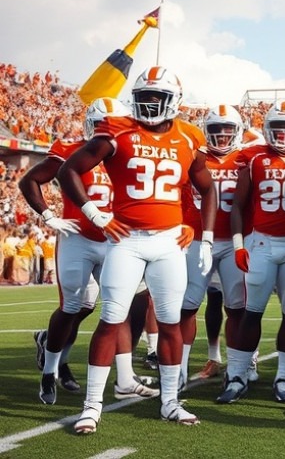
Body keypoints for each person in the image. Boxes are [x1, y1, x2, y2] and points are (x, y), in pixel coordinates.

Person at [58, 66, 217, 433]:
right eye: (143, 97)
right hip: (126, 241)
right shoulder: (117, 130)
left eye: (156, 98)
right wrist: (95, 215)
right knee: (111, 319)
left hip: (167, 243)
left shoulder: (189, 138)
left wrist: (200, 231)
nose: (148, 105)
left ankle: (170, 402)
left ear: (173, 101)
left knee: (170, 323)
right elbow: (69, 170)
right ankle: (92, 405)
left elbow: (207, 188)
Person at [19, 97, 128, 404]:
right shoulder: (69, 149)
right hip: (78, 237)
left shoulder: (129, 153)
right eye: (99, 126)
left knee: (93, 306)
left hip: (114, 240)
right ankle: (50, 371)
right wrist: (49, 215)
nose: (105, 132)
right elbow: (30, 180)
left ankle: (120, 372)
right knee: (70, 307)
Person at [216, 100, 285, 405]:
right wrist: (240, 244)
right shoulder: (253, 157)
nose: (281, 136)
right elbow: (237, 206)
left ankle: (284, 374)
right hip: (262, 243)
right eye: (276, 129)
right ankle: (238, 374)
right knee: (250, 311)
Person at [179, 104, 248, 385]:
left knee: (237, 306)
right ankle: (179, 368)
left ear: (238, 131)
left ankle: (238, 366)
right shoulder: (194, 157)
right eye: (216, 129)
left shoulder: (247, 158)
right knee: (188, 304)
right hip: (197, 239)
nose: (221, 134)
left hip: (233, 241)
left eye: (227, 129)